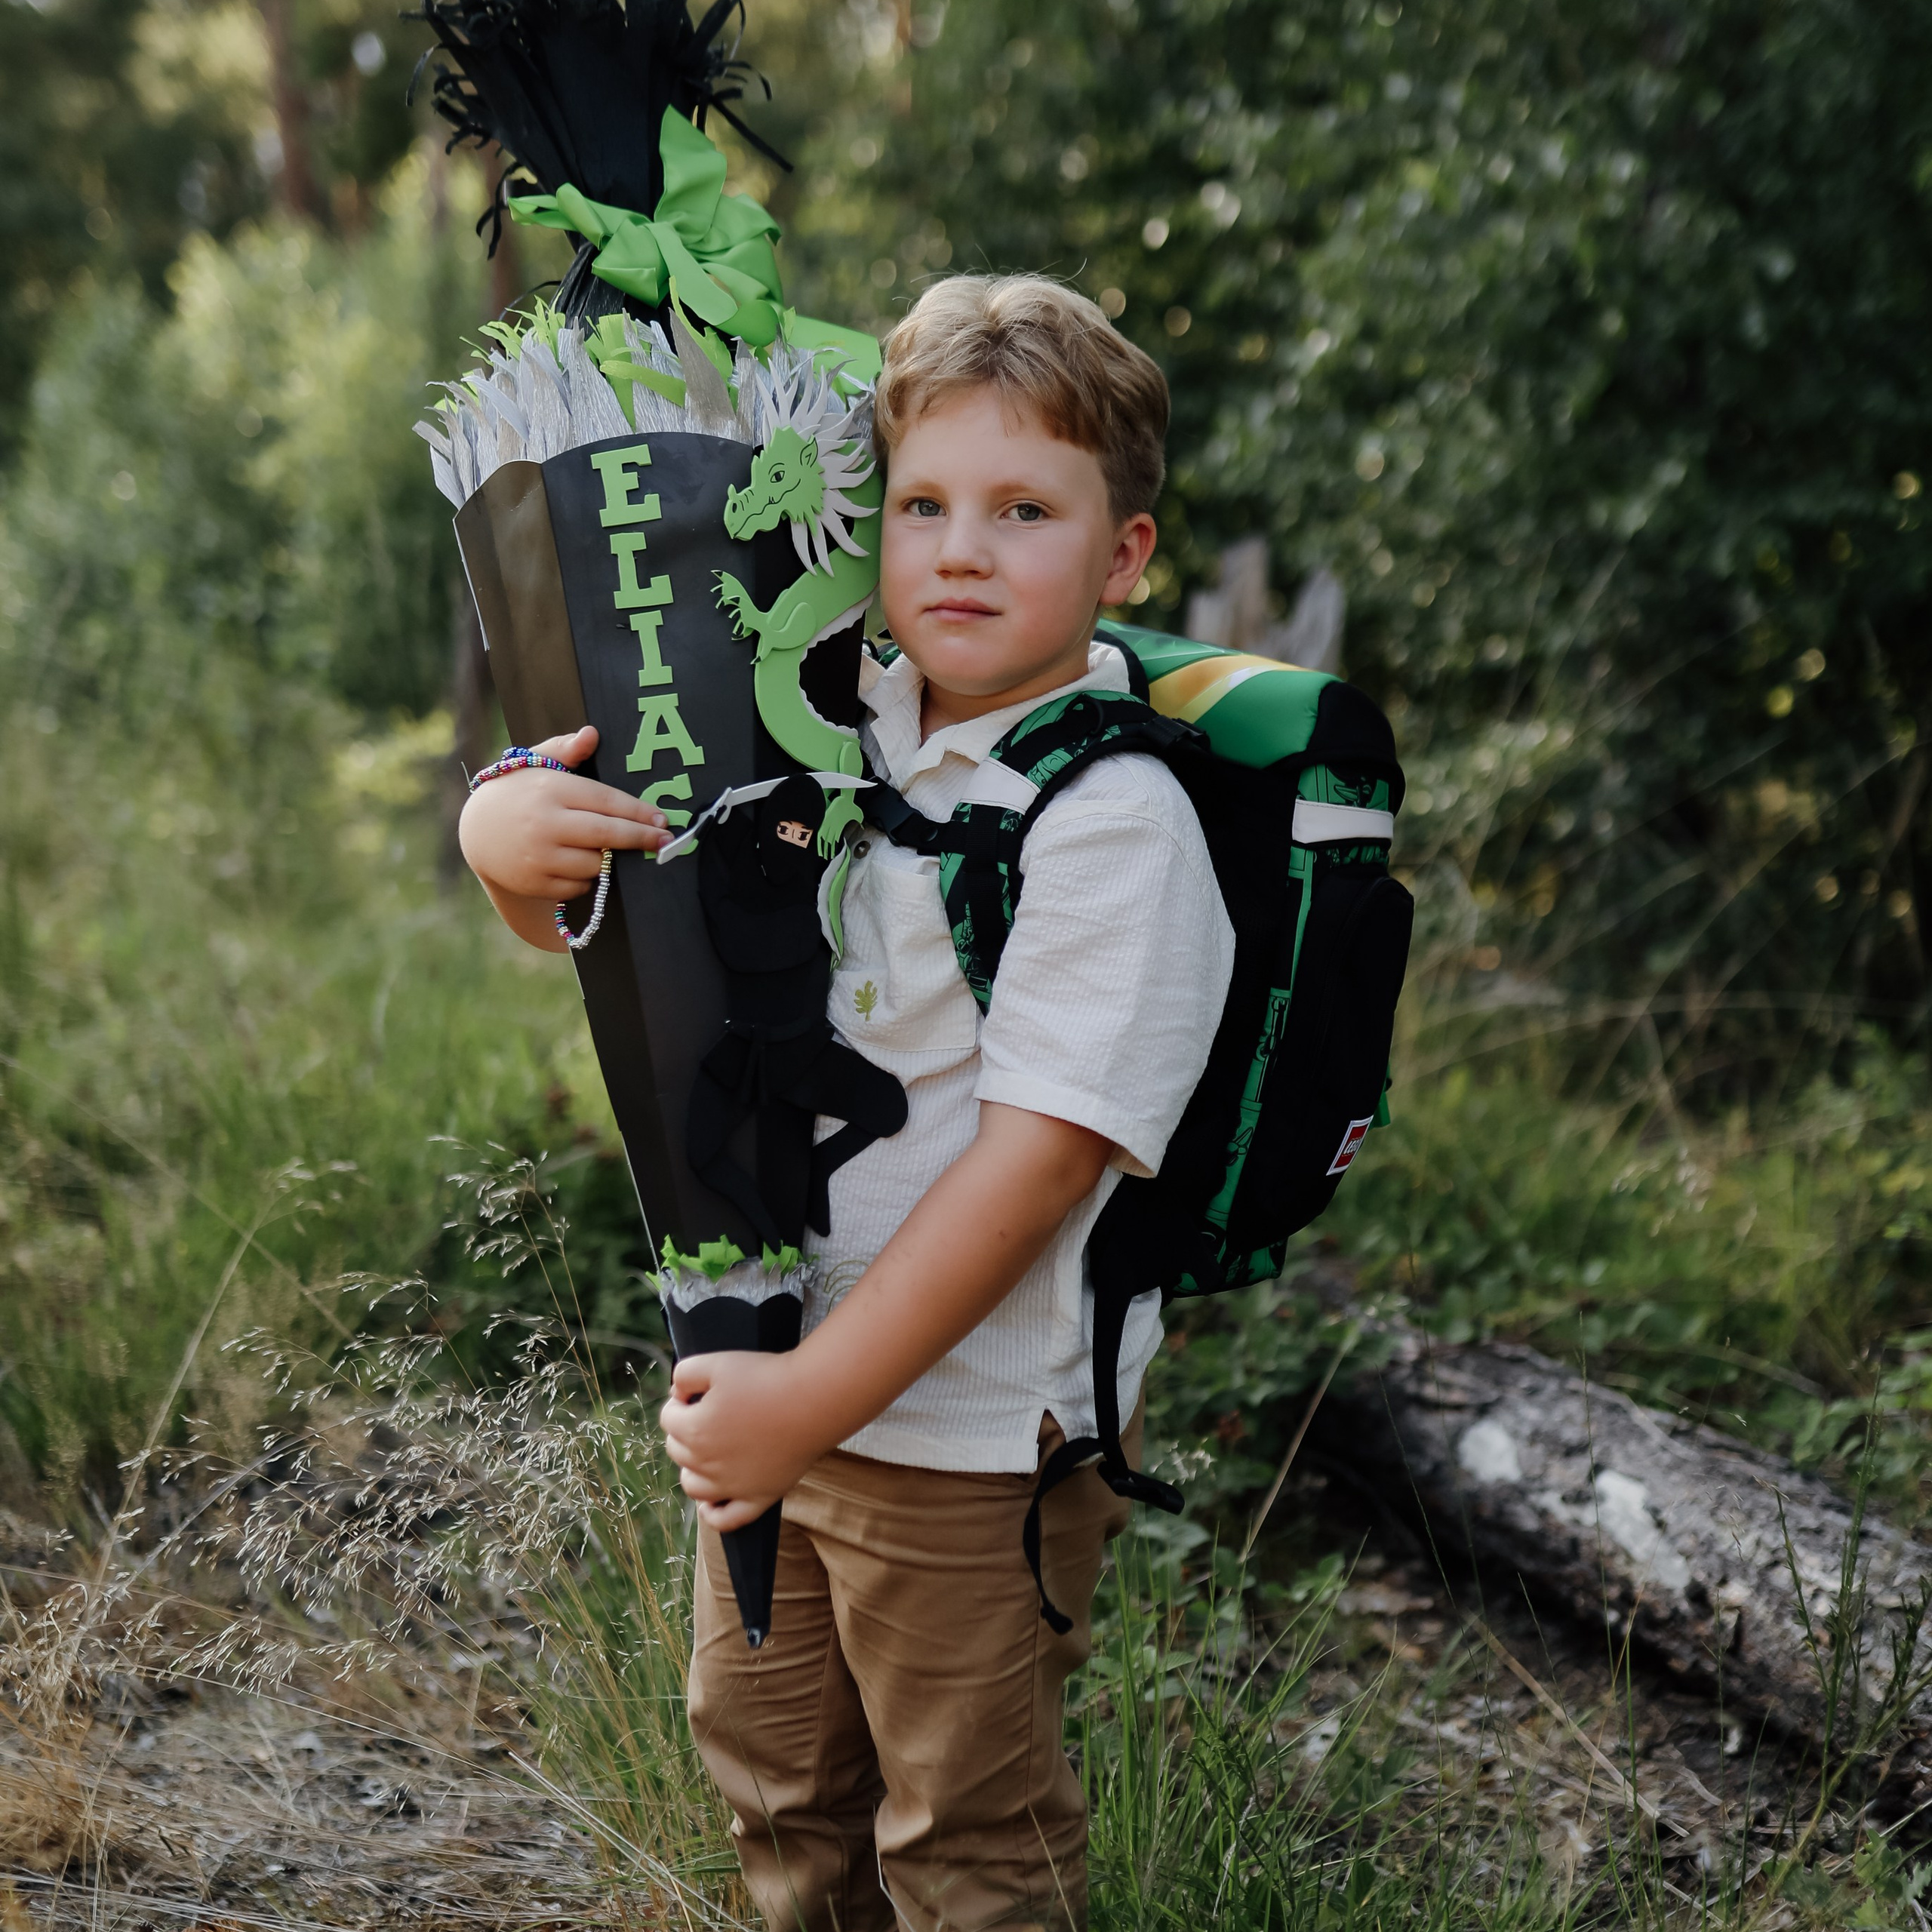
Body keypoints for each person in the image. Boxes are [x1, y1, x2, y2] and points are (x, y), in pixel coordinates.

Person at [459, 274, 1234, 1932]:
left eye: (1023, 509)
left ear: (1120, 557)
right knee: (772, 1773)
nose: (960, 548)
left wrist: (814, 1400)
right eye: (924, 503)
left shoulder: (1111, 821)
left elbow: (1035, 1169)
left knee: (962, 1830)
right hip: (768, 1366)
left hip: (966, 1435)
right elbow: (637, 922)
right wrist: (506, 847)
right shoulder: (833, 722)